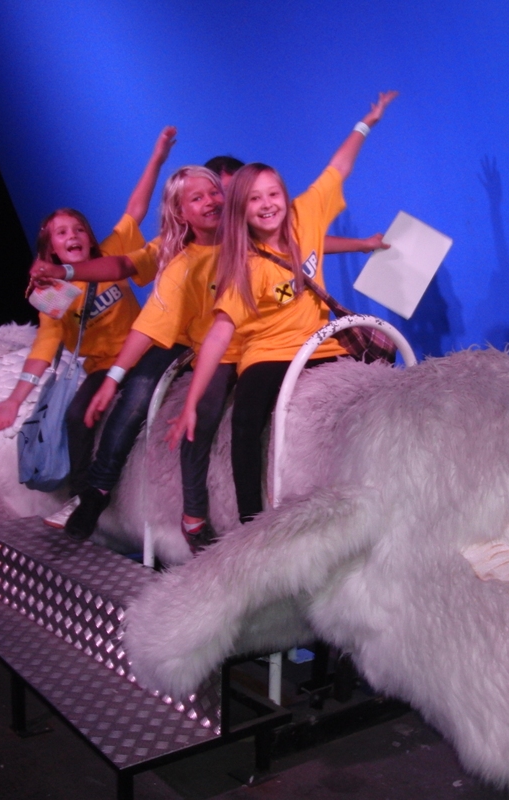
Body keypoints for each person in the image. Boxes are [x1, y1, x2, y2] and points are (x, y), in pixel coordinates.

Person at [36, 163, 387, 548]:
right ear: (180, 212)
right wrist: (111, 372)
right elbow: (134, 290)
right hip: (209, 347)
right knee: (174, 408)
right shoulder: (179, 261)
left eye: (216, 192)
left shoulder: (251, 232)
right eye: (197, 198)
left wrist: (361, 244)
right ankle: (134, 500)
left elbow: (309, 241)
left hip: (261, 342)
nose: (210, 201)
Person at [167, 91, 397, 524]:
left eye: (273, 193)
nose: (267, 204)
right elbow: (219, 333)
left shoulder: (304, 215)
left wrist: (368, 121)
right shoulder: (243, 264)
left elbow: (339, 167)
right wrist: (191, 401)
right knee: (245, 422)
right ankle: (251, 522)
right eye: (254, 199)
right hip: (268, 353)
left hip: (320, 343)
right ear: (240, 209)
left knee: (384, 376)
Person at [0, 127, 177, 513]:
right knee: (77, 417)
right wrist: (14, 400)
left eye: (78, 229)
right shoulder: (53, 295)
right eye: (62, 233)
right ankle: (80, 497)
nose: (72, 235)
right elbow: (44, 348)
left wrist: (157, 159)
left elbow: (135, 209)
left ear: (89, 239)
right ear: (52, 249)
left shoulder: (110, 254)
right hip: (102, 367)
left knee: (139, 405)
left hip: (143, 352)